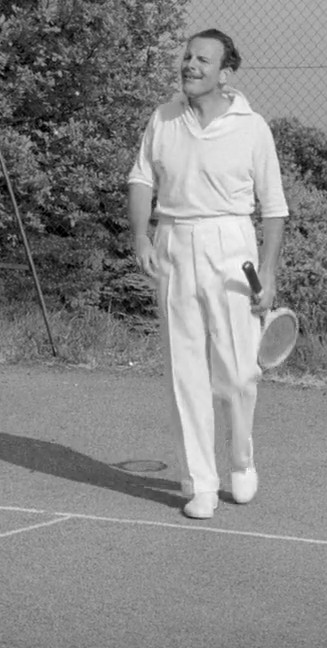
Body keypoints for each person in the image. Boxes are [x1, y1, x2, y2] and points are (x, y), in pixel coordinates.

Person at [127, 28, 288, 519]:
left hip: (231, 246)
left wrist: (268, 271)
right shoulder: (163, 118)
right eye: (187, 57)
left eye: (202, 59)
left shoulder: (252, 127)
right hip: (173, 243)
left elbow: (274, 207)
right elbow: (142, 178)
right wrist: (141, 237)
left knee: (239, 373)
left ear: (225, 72)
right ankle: (201, 482)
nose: (190, 66)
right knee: (185, 371)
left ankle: (241, 459)